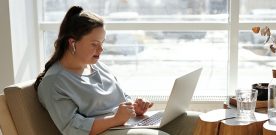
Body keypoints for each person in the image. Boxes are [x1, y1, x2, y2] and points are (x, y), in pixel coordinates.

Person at [35, 6, 200, 135]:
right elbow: (72, 129)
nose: (101, 49)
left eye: (102, 42)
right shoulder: (54, 82)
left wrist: (135, 108)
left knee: (197, 121)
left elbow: (121, 100)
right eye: (94, 44)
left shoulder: (97, 65)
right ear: (73, 43)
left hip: (126, 124)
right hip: (106, 131)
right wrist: (115, 119)